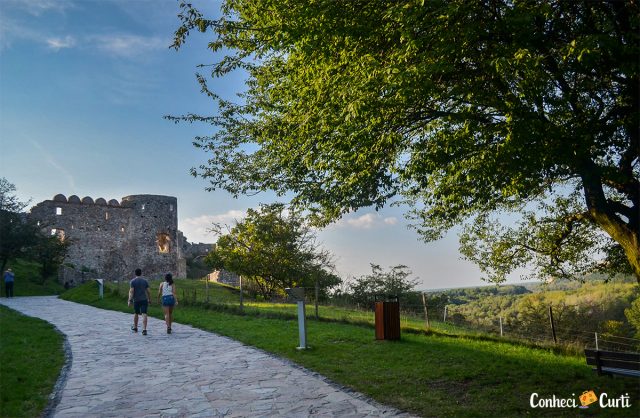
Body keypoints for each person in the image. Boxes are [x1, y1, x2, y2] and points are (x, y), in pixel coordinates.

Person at [128, 268, 151, 335]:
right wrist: (149, 299)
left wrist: (130, 300)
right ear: (141, 273)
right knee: (144, 314)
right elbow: (148, 291)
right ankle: (144, 329)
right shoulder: (145, 281)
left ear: (135, 273)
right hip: (144, 300)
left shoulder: (132, 281)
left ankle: (135, 327)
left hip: (136, 300)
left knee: (136, 313)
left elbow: (131, 291)